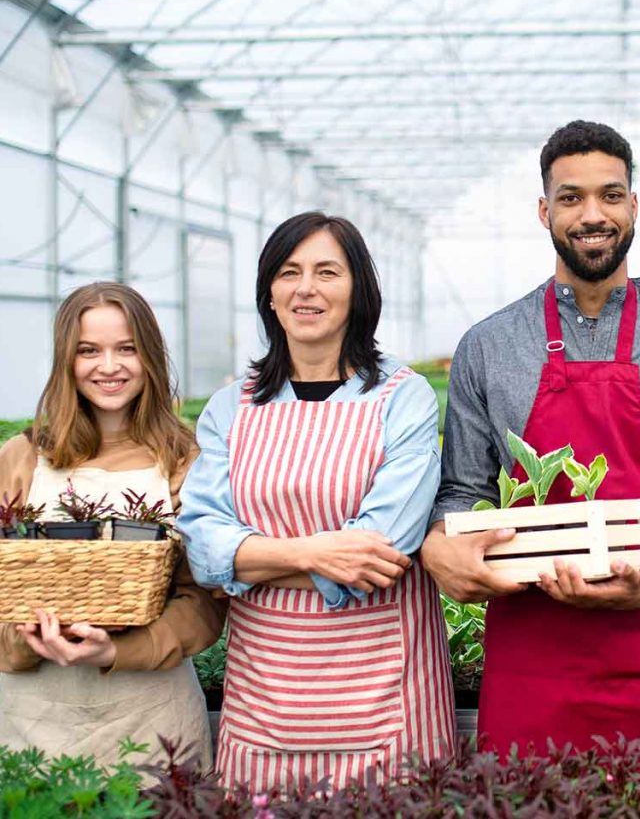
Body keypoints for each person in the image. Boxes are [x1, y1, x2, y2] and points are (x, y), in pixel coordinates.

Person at [422, 120, 640, 760]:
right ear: (545, 211)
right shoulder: (488, 346)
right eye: (571, 197)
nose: (592, 214)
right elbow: (460, 489)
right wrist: (444, 545)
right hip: (533, 654)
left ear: (634, 206)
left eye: (610, 195)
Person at [179, 212, 453, 792]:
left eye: (327, 272)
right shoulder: (231, 407)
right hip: (264, 699)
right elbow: (201, 549)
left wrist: (246, 563)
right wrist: (316, 553)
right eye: (289, 272)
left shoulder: (402, 399)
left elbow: (380, 551)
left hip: (386, 694)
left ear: (358, 291)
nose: (306, 288)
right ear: (270, 294)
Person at [0, 282, 224, 768]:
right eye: (88, 350)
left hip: (153, 719)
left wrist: (118, 651)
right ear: (66, 360)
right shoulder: (22, 458)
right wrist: (24, 640)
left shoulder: (185, 462)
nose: (108, 366)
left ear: (151, 357)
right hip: (32, 720)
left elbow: (204, 602)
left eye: (127, 348)